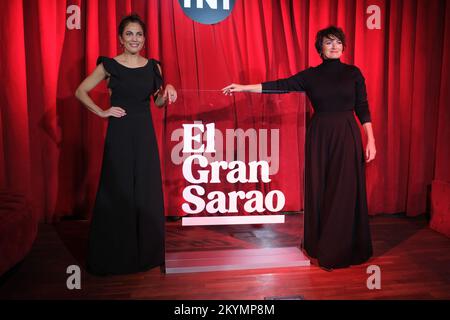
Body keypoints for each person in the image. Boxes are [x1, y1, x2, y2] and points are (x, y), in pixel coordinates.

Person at [223, 26, 376, 270]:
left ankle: (341, 248)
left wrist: (371, 139)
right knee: (322, 188)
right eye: (328, 42)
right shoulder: (311, 75)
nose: (334, 46)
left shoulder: (353, 73)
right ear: (320, 49)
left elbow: (363, 106)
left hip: (347, 134)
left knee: (344, 188)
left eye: (338, 42)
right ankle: (320, 243)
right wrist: (243, 87)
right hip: (319, 136)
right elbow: (280, 85)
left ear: (343, 46)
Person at [75, 13, 177, 275]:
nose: (135, 38)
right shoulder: (109, 65)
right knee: (117, 190)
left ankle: (146, 255)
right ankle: (115, 255)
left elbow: (157, 103)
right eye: (129, 34)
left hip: (144, 134)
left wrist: (168, 92)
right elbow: (80, 90)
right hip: (119, 133)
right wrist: (102, 112)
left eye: (139, 34)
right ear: (121, 39)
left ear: (144, 39)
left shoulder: (154, 67)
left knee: (144, 190)